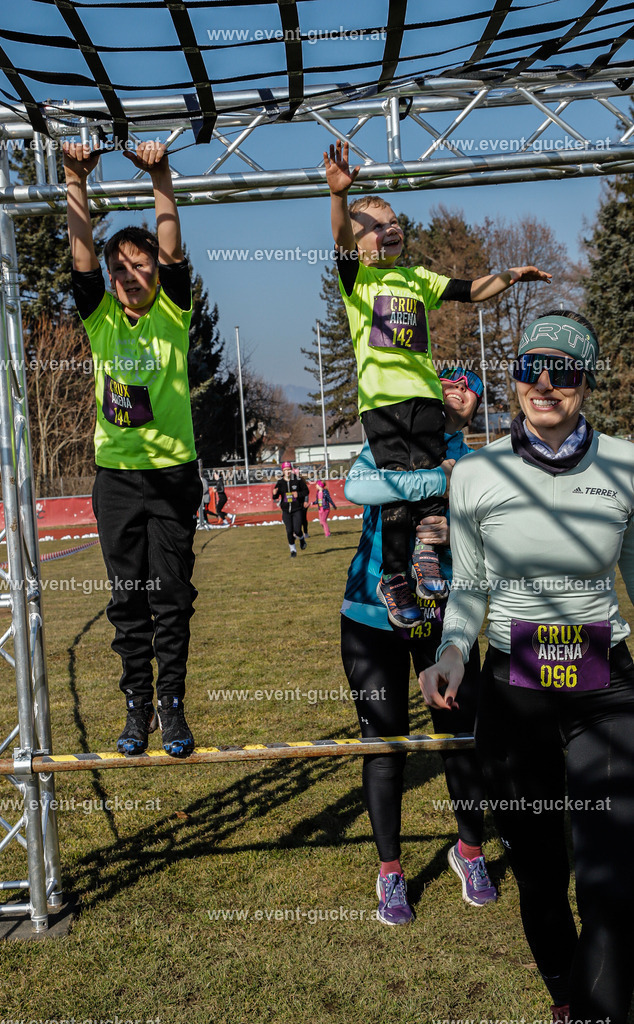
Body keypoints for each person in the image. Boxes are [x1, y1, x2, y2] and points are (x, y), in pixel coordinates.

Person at [420, 311, 634, 1024]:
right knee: (541, 876)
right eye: (529, 367)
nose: (544, 383)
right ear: (513, 377)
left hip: (604, 686)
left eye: (563, 370)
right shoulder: (476, 473)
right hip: (515, 689)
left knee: (610, 879)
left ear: (585, 381)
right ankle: (568, 1001)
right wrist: (453, 651)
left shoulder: (626, 464)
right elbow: (470, 586)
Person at [324, 140, 551, 630]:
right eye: (377, 226)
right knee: (395, 486)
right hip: (381, 403)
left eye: (394, 221)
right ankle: (392, 576)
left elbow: (470, 291)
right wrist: (339, 196)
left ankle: (425, 555)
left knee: (428, 477)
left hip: (425, 398)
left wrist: (511, 275)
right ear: (359, 246)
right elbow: (341, 239)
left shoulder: (417, 279)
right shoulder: (358, 282)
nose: (390, 229)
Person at [342, 366, 496, 926]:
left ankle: (470, 852)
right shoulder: (384, 442)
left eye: (470, 386)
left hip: (443, 617)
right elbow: (356, 488)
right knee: (384, 745)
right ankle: (390, 872)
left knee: (459, 737)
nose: (457, 389)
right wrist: (434, 480)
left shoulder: (476, 462)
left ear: (477, 405)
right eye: (447, 381)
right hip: (369, 614)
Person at [64, 139, 201, 759]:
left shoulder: (174, 311)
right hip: (116, 480)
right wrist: (75, 180)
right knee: (128, 600)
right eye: (118, 269)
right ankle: (136, 705)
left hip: (172, 476)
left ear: (157, 273)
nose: (128, 276)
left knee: (171, 597)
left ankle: (171, 703)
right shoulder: (100, 319)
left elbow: (169, 244)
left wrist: (161, 176)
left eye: (139, 266)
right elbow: (82, 258)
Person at [272, 461, 309, 557]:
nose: (287, 472)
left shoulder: (297, 480)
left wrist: (298, 494)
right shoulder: (280, 482)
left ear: (291, 470)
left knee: (297, 530)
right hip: (286, 511)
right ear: (282, 471)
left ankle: (301, 539)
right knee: (289, 531)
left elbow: (306, 491)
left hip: (297, 509)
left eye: (289, 469)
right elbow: (275, 497)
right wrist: (274, 493)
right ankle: (293, 551)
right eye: (285, 470)